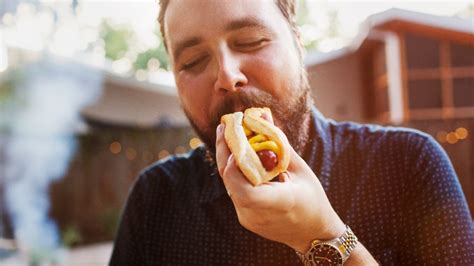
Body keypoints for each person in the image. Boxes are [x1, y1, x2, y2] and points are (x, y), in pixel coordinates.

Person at [110, 0, 474, 265]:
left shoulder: (408, 164)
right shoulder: (155, 200)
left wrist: (322, 236)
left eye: (251, 40)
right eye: (192, 62)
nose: (227, 76)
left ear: (298, 44)